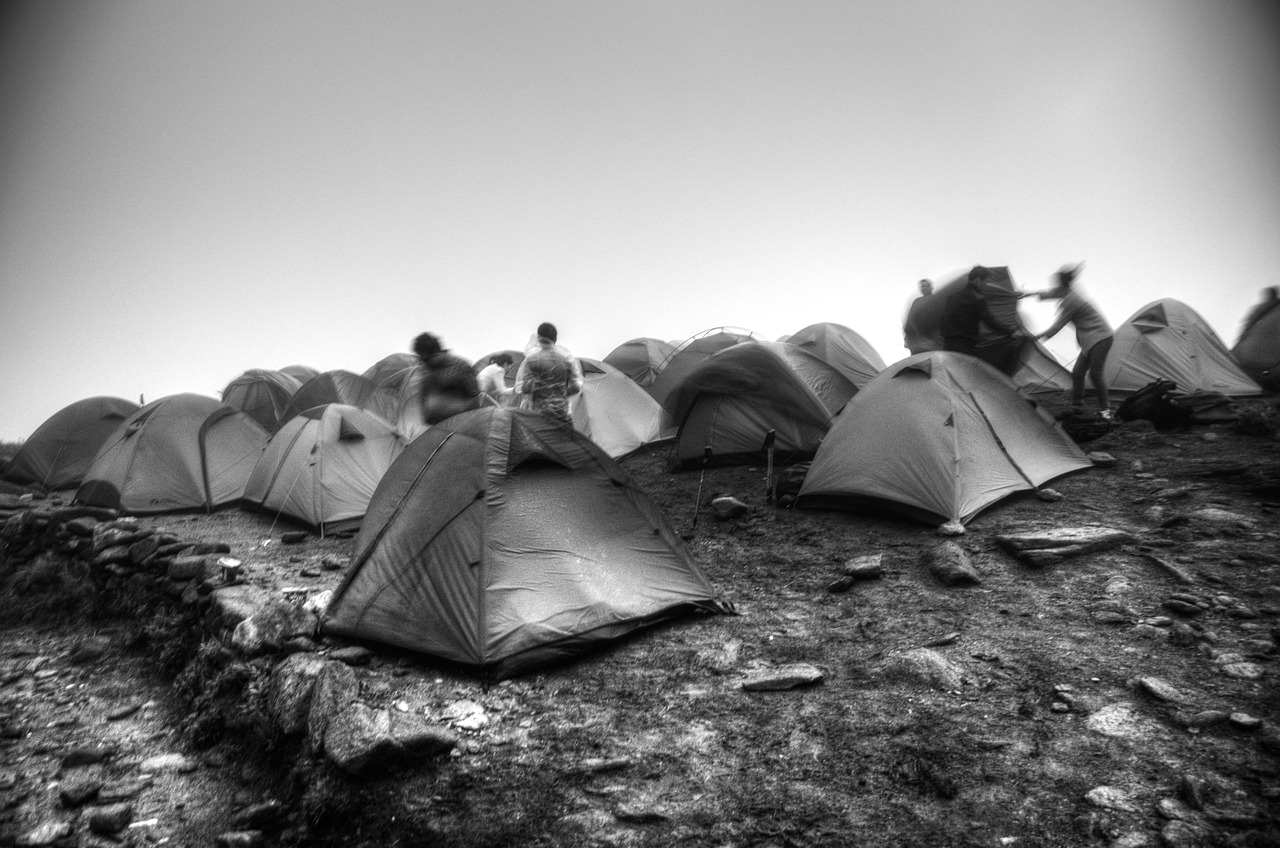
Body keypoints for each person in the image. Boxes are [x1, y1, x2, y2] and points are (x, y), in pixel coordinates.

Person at [1035, 264, 1114, 416]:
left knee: (1095, 374)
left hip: (1101, 336)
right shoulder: (1067, 291)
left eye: (1057, 281)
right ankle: (1077, 405)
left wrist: (1038, 337)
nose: (1054, 284)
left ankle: (1106, 409)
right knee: (1077, 373)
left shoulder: (1072, 301)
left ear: (1062, 282)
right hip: (1090, 339)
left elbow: (1058, 325)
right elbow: (1050, 294)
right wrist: (1028, 294)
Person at [940, 266, 1027, 375]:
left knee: (951, 378)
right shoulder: (977, 297)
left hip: (947, 346)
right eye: (985, 282)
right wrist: (1011, 332)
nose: (986, 285)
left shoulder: (952, 297)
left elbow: (943, 321)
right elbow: (989, 321)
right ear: (978, 280)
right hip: (965, 347)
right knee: (965, 378)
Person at [514, 322, 584, 425]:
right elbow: (575, 388)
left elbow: (526, 389)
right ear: (555, 339)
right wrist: (559, 390)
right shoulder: (567, 360)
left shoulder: (531, 360)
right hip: (562, 416)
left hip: (539, 417)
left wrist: (541, 388)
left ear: (538, 338)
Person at [412, 332, 481, 425]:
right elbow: (424, 402)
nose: (424, 363)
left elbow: (475, 398)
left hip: (463, 424)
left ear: (437, 352)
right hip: (438, 429)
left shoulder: (460, 366)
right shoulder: (427, 372)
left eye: (426, 359)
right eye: (421, 360)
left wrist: (450, 408)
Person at [903, 278, 942, 354]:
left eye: (926, 286)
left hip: (933, 338)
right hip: (918, 339)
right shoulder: (917, 301)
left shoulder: (937, 300)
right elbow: (910, 318)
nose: (924, 288)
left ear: (931, 287)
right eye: (922, 287)